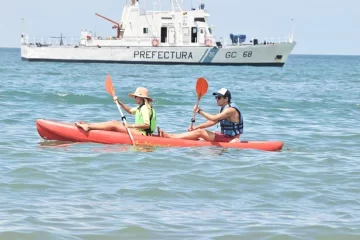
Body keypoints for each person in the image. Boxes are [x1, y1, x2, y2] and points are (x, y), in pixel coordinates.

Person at [158, 88, 243, 142]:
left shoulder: (231, 110)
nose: (216, 99)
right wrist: (196, 127)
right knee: (199, 131)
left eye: (219, 97)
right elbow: (212, 122)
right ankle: (175, 136)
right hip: (225, 136)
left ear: (226, 99)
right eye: (216, 97)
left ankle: (170, 137)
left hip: (230, 139)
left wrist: (199, 111)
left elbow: (214, 117)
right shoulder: (225, 108)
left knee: (200, 132)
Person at [75, 87, 156, 136]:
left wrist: (130, 126)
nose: (134, 98)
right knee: (114, 122)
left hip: (143, 135)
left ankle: (88, 127)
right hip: (140, 132)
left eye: (136, 97)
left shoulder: (145, 108)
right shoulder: (141, 107)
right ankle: (89, 125)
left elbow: (146, 125)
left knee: (114, 124)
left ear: (141, 98)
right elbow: (129, 110)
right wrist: (119, 102)